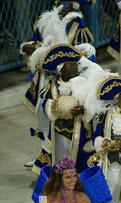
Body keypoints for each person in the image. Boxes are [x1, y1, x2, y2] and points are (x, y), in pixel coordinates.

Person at [20, 0, 95, 168]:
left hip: (67, 81)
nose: (64, 5)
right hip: (45, 79)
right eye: (62, 2)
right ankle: (44, 155)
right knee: (43, 115)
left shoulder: (78, 24)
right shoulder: (45, 20)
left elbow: (83, 53)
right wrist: (30, 49)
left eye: (68, 3)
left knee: (65, 116)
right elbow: (35, 43)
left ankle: (66, 158)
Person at [32, 43, 97, 175]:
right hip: (59, 131)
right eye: (71, 64)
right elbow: (46, 104)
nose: (75, 67)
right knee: (60, 159)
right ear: (61, 68)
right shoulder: (53, 86)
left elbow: (94, 103)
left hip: (80, 131)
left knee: (81, 159)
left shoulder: (85, 83)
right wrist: (57, 109)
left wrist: (84, 109)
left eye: (75, 64)